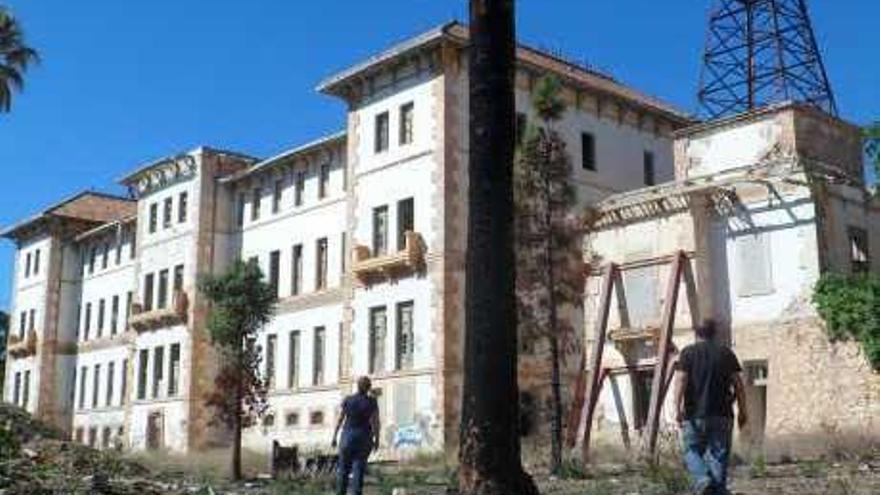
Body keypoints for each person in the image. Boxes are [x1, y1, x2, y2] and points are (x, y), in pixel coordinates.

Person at [674, 319, 748, 495]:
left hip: (694, 414)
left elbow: (681, 379)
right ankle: (716, 491)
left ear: (696, 333)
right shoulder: (726, 353)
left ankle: (702, 479)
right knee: (719, 455)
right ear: (715, 333)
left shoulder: (688, 353)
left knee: (691, 450)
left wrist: (676, 407)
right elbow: (738, 384)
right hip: (723, 414)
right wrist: (743, 410)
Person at [332, 376, 380, 495]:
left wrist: (334, 436)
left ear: (357, 386)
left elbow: (340, 419)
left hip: (347, 435)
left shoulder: (348, 400)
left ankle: (340, 492)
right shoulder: (372, 402)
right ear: (369, 388)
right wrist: (377, 439)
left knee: (343, 469)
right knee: (358, 468)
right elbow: (376, 422)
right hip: (364, 436)